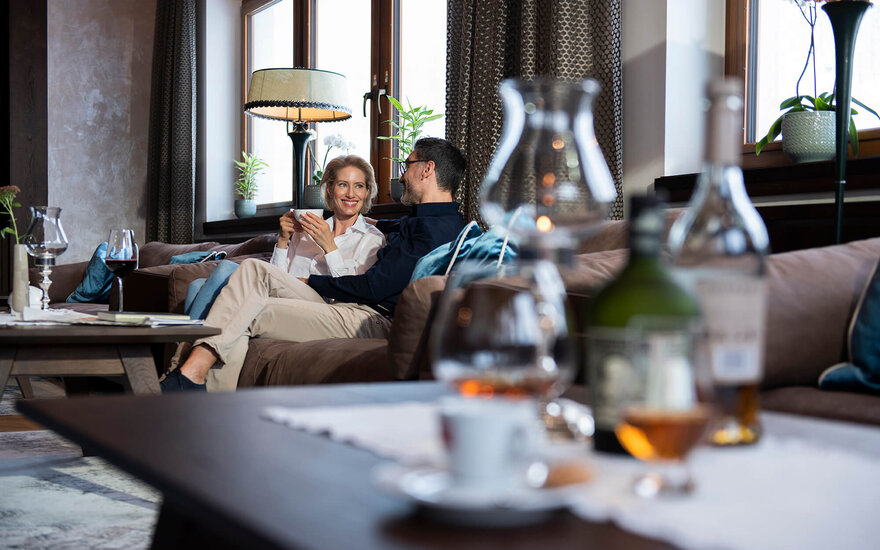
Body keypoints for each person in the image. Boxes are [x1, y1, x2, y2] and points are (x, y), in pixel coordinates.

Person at [162, 137, 467, 392]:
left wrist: (314, 279)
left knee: (248, 288)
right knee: (248, 291)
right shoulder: (418, 222)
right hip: (351, 310)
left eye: (408, 165)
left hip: (371, 318)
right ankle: (199, 393)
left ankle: (185, 380)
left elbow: (374, 287)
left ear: (427, 169)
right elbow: (386, 228)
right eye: (343, 186)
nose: (401, 176)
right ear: (329, 189)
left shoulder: (435, 230)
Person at [181, 155, 386, 321]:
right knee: (197, 285)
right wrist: (282, 240)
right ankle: (190, 355)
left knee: (226, 268)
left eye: (359, 186)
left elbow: (353, 290)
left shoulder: (372, 239)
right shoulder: (305, 229)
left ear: (367, 192)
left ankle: (186, 358)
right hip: (285, 296)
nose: (351, 194)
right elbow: (276, 278)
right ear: (330, 189)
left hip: (322, 305)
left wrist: (329, 246)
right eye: (343, 184)